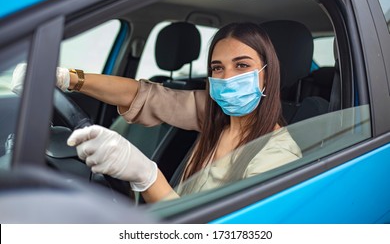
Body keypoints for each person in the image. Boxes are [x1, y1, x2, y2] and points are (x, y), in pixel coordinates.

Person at [12, 22, 301, 203]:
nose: (226, 79)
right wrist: (66, 78)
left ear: (267, 73)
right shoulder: (216, 114)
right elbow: (144, 95)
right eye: (217, 68)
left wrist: (147, 176)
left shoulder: (278, 156)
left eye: (242, 66)